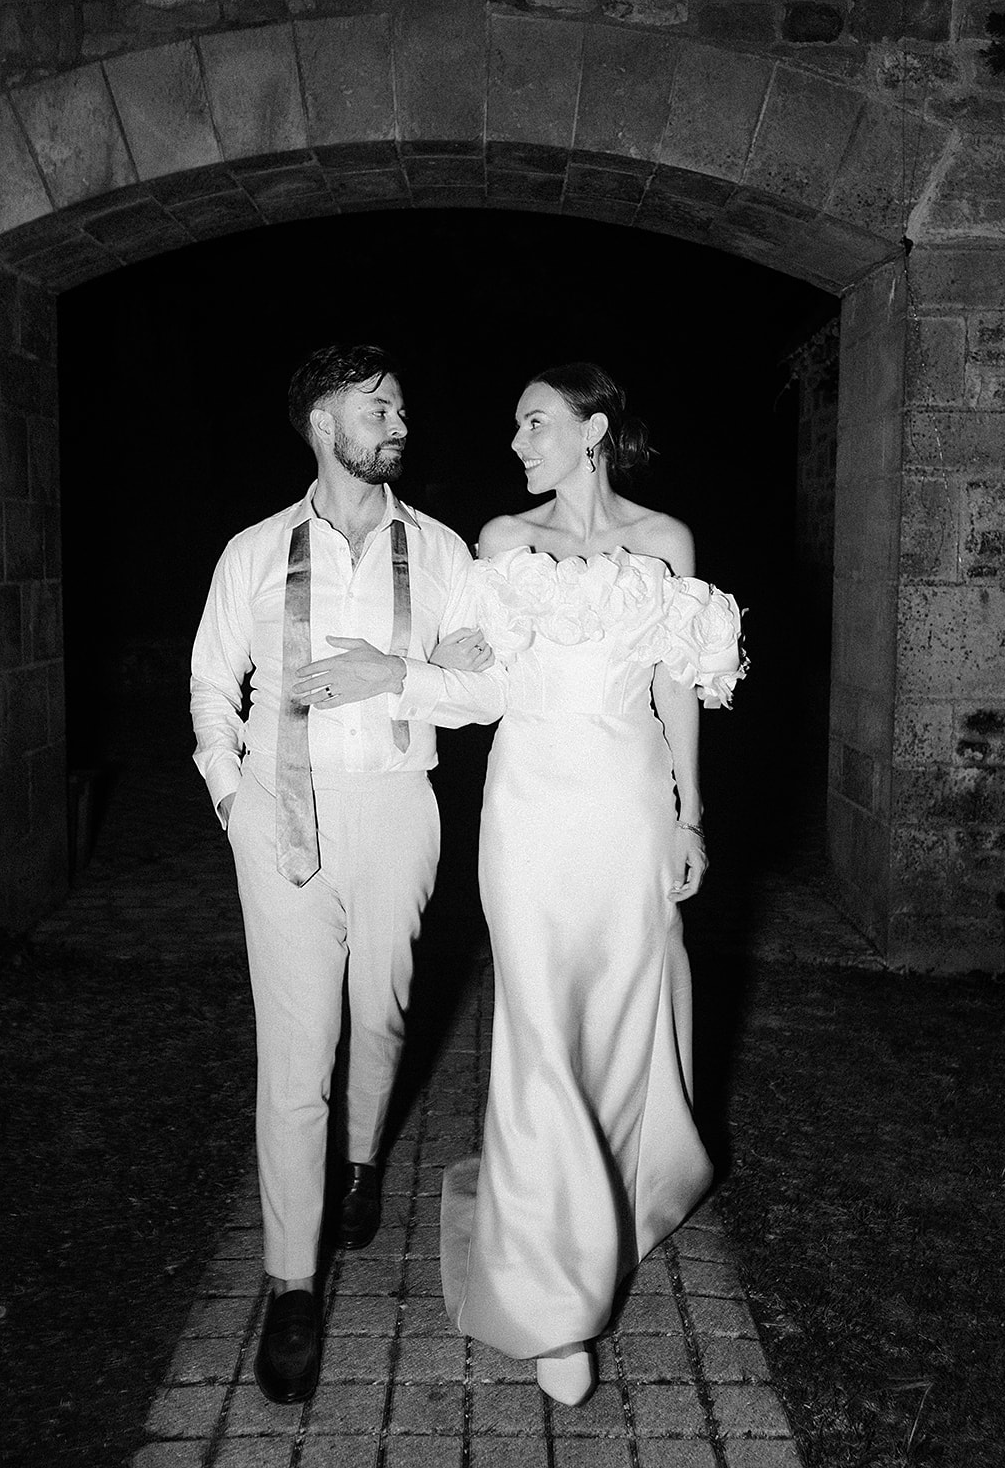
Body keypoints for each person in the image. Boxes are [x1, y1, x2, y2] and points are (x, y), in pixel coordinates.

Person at [330, 359, 746, 1408]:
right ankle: (548, 1299)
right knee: (538, 1031)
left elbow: (675, 686)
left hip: (626, 808)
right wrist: (397, 674)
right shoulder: (504, 544)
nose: (515, 442)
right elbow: (488, 684)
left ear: (592, 426)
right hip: (527, 811)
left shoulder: (664, 544)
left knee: (616, 1017)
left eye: (534, 421)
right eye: (516, 427)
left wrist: (688, 815)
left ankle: (612, 1198)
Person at [189, 342, 504, 1404]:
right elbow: (207, 687)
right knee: (294, 1052)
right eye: (380, 406)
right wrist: (234, 799)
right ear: (326, 423)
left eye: (402, 405)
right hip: (281, 813)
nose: (399, 420)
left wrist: (393, 674)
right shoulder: (253, 550)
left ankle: (363, 1158)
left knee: (379, 1016)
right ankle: (289, 1286)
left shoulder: (442, 549)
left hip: (397, 809)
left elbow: (488, 686)